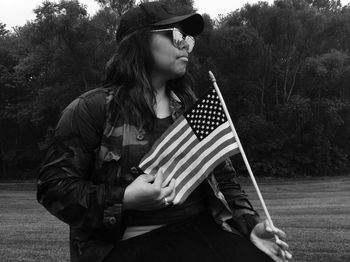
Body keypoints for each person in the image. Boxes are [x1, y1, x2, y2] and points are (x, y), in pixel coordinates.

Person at [37, 2, 292, 262]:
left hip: (202, 230)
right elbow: (54, 189)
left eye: (188, 40)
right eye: (176, 36)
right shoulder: (91, 110)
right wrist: (124, 199)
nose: (185, 46)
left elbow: (225, 179)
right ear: (138, 43)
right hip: (127, 243)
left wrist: (251, 227)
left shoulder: (192, 109)